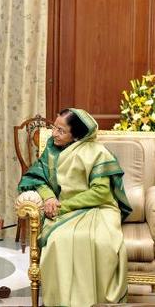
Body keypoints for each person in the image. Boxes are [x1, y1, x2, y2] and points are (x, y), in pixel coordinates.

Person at [18, 108, 132, 306]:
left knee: (98, 241)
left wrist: (62, 206)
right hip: (61, 207)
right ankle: (62, 301)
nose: (54, 133)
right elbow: (38, 179)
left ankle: (92, 302)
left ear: (77, 136)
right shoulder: (52, 151)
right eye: (54, 127)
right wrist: (49, 199)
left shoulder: (98, 153)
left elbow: (101, 193)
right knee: (57, 240)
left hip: (99, 208)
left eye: (61, 131)